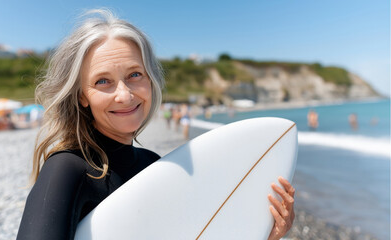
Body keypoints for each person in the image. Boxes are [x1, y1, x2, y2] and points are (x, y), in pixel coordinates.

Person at [17, 9, 295, 240]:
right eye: (103, 81)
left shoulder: (153, 165)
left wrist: (261, 233)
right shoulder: (66, 171)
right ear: (82, 96)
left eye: (135, 74)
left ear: (150, 80)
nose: (125, 94)